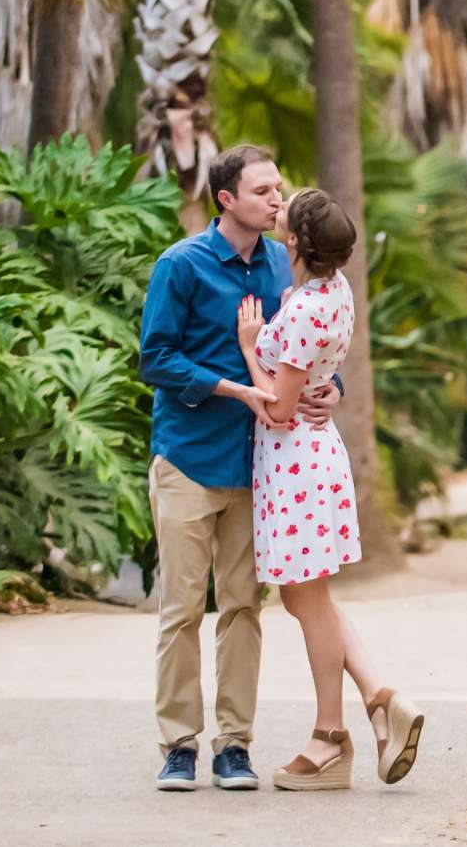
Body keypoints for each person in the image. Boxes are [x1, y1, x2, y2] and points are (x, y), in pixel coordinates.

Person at [137, 144, 342, 793]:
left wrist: (334, 390)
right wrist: (234, 389)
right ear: (226, 200)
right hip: (189, 461)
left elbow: (308, 354)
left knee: (243, 611)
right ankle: (178, 745)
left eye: (279, 189)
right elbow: (156, 359)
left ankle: (234, 746)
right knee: (179, 611)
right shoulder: (181, 266)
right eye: (262, 191)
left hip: (258, 472)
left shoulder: (286, 272)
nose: (276, 200)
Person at [237, 187, 424, 792]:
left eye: (285, 208)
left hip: (294, 465)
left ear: (294, 242)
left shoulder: (296, 314)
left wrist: (249, 347)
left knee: (306, 602)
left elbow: (279, 409)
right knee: (305, 600)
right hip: (314, 459)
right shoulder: (333, 292)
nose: (278, 203)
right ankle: (375, 700)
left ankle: (330, 739)